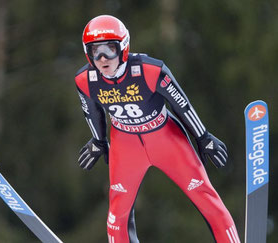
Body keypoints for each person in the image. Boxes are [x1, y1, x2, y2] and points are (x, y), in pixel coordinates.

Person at [74, 15, 240, 243]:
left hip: (165, 138)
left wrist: (203, 136)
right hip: (125, 145)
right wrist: (98, 140)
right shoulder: (85, 80)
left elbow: (181, 103)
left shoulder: (150, 71)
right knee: (116, 215)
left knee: (205, 196)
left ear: (123, 48)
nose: (102, 58)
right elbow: (92, 110)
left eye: (109, 49)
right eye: (95, 51)